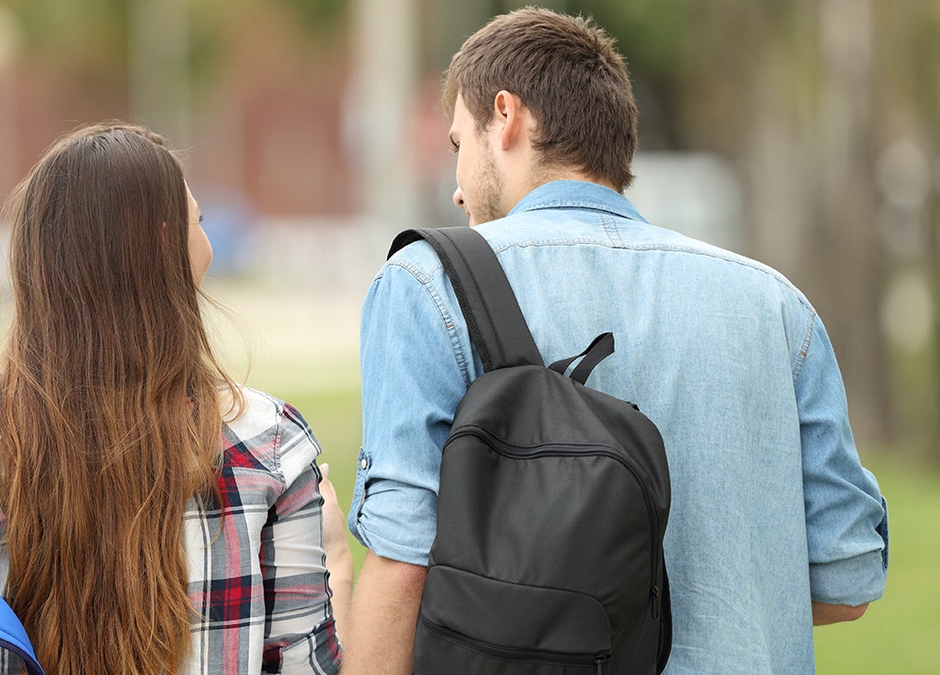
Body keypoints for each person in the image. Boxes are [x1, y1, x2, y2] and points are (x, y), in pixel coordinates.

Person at [344, 7, 888, 674]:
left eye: (460, 145)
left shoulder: (428, 284)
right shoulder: (777, 306)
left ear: (506, 116)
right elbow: (849, 577)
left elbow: (404, 567)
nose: (457, 191)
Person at [0, 122, 350, 675]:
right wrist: (342, 572)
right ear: (165, 245)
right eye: (198, 222)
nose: (206, 240)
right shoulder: (268, 444)